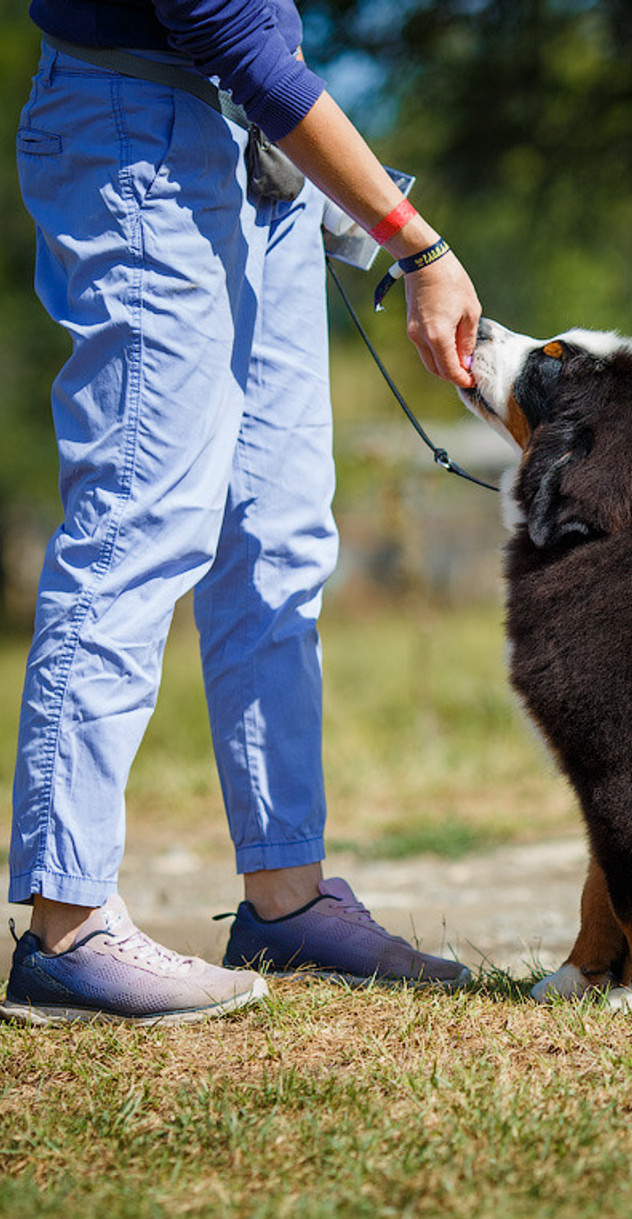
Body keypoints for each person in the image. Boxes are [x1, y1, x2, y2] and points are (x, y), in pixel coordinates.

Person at [2, 0, 483, 1025]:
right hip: (140, 130)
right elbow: (229, 29)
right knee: (141, 518)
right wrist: (417, 248)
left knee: (279, 533)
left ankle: (285, 899)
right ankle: (65, 930)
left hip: (254, 159)